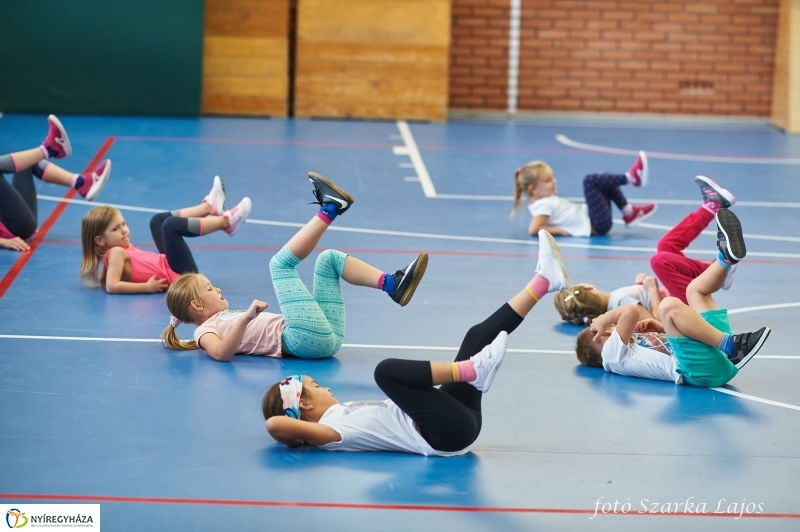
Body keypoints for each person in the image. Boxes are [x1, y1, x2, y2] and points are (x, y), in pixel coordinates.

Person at [260, 229, 570, 455]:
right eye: (315, 386)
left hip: (455, 417)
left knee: (476, 336)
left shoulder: (342, 412)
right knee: (385, 372)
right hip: (444, 434)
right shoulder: (330, 432)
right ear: (304, 403)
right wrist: (299, 431)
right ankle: (470, 372)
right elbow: (276, 425)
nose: (326, 387)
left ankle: (543, 281)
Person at [162, 172, 428, 362]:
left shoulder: (222, 316)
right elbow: (221, 354)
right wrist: (245, 318)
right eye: (209, 288)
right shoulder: (203, 331)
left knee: (329, 259)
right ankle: (331, 208)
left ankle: (393, 284)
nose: (217, 288)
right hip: (302, 340)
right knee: (279, 265)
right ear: (196, 306)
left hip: (326, 338)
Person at [575, 209, 771, 388]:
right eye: (611, 328)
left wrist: (662, 329)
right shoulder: (611, 357)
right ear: (605, 335)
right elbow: (631, 311)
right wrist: (604, 318)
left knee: (694, 291)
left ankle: (726, 259)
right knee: (668, 306)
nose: (614, 327)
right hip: (699, 371)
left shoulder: (629, 348)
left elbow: (673, 342)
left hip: (714, 359)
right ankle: (732, 345)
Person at [554, 175, 737, 325]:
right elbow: (656, 321)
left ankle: (712, 206)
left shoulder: (616, 300)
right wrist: (651, 290)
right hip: (687, 310)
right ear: (588, 287)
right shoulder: (619, 304)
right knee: (659, 261)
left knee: (665, 247)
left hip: (682, 302)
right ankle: (718, 270)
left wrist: (645, 287)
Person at [80, 176, 251, 293]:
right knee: (170, 226)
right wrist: (146, 287)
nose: (124, 230)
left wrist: (103, 274)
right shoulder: (116, 252)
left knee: (157, 221)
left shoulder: (114, 253)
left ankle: (208, 208)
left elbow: (105, 279)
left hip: (170, 267)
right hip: (180, 278)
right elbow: (112, 285)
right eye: (115, 229)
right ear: (100, 240)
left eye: (123, 224)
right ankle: (226, 223)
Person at [0, 115, 111, 251]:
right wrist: (4, 242)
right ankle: (49, 149)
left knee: (27, 162)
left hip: (14, 220)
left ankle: (82, 183)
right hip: (14, 230)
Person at [510, 152, 656, 237]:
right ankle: (630, 178)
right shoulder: (542, 205)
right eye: (548, 181)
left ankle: (628, 212)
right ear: (533, 189)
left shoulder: (546, 201)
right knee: (589, 180)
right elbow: (534, 229)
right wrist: (559, 231)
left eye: (552, 178)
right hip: (594, 224)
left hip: (593, 219)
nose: (554, 182)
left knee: (604, 179)